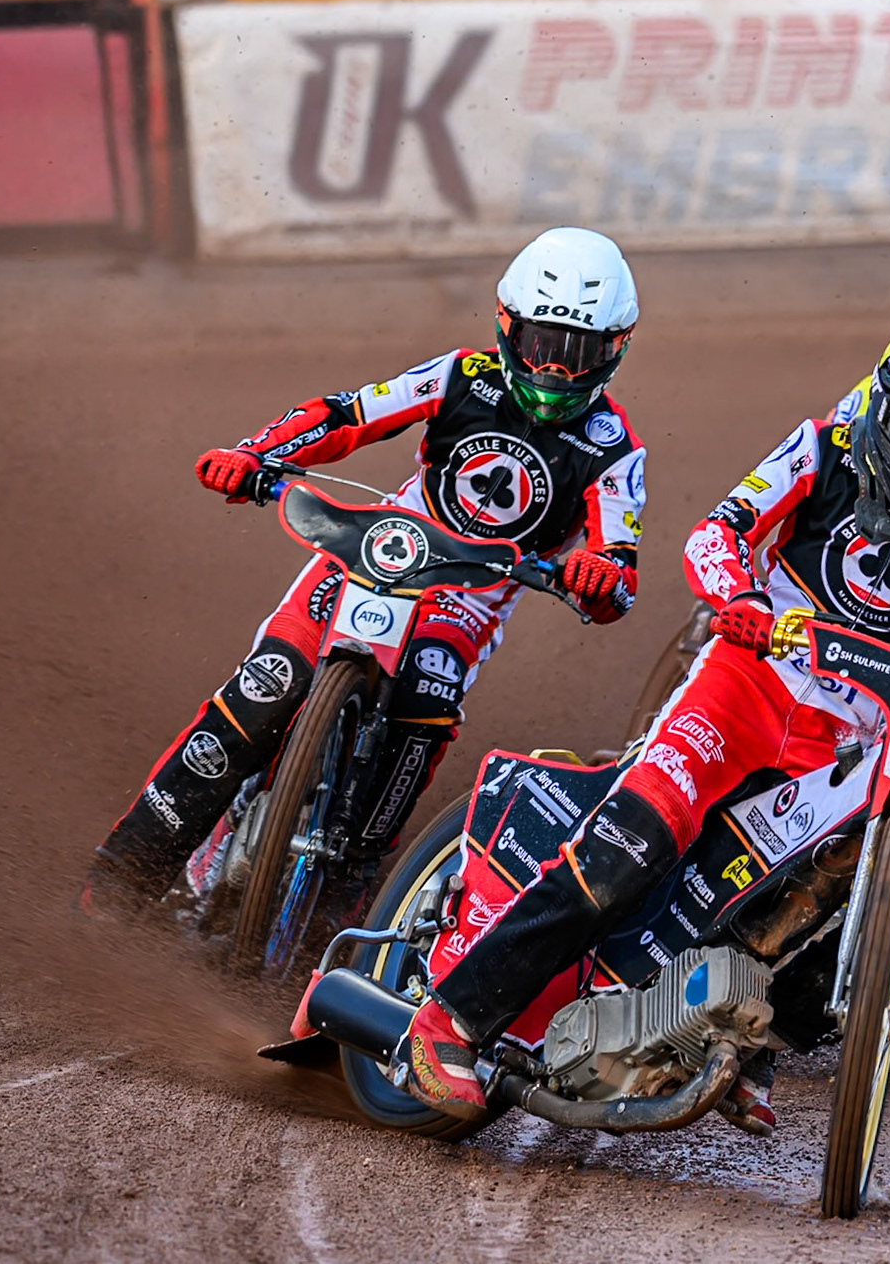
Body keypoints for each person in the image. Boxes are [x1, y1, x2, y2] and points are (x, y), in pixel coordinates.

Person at [394, 312, 890, 1123]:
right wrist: (735, 598)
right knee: (631, 841)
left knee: (828, 889)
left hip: (852, 738)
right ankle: (449, 1017)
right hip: (744, 686)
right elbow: (718, 532)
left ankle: (728, 1038)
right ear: (883, 405)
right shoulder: (818, 449)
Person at [84, 227, 648, 914]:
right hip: (381, 546)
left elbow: (618, 563)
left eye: (577, 353)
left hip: (472, 591)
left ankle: (348, 884)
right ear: (507, 326)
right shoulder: (458, 376)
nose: (555, 370)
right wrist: (255, 455)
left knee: (428, 704)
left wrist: (595, 577)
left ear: (614, 348)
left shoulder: (614, 448)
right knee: (269, 686)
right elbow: (349, 414)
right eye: (541, 346)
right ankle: (122, 878)